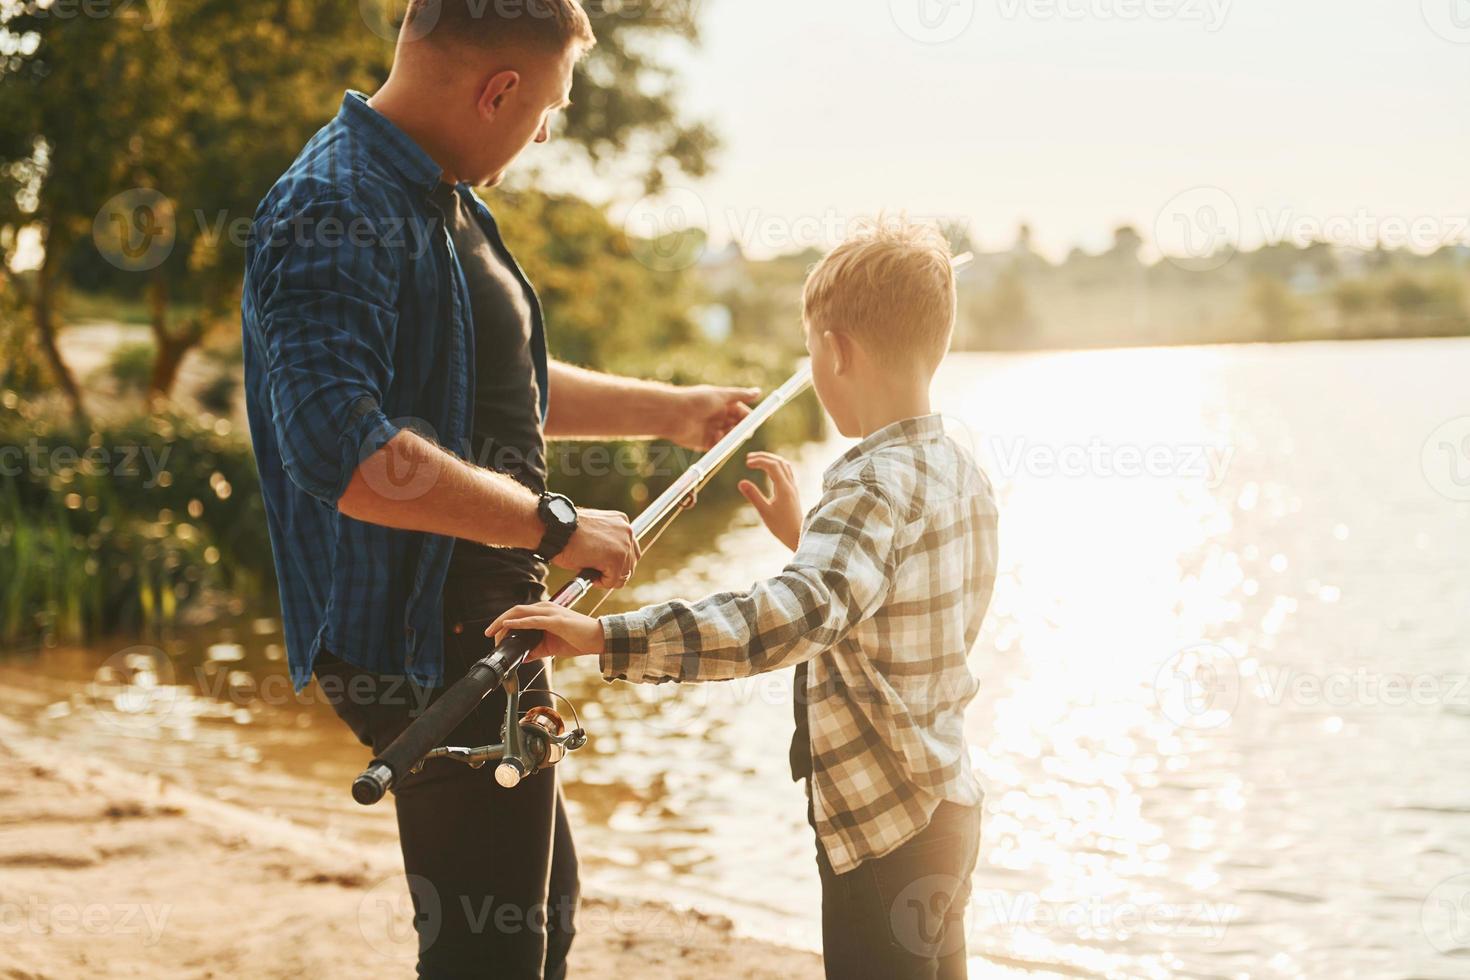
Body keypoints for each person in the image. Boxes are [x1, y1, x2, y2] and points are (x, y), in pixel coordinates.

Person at [240, 2, 758, 976]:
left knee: (538, 921)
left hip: (489, 622)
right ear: (500, 90)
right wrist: (552, 522)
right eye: (548, 109)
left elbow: (496, 385)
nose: (545, 132)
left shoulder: (440, 192)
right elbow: (340, 448)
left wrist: (673, 409)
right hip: (425, 643)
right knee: (491, 954)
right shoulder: (333, 204)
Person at [487, 219, 1001, 979]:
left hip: (879, 822)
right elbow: (902, 603)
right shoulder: (959, 468)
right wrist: (809, 540)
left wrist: (602, 638)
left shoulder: (865, 487)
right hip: (948, 804)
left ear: (834, 350)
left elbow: (779, 622)